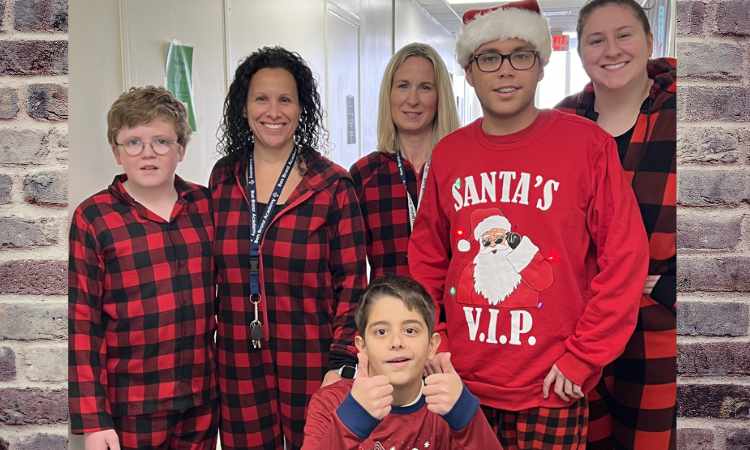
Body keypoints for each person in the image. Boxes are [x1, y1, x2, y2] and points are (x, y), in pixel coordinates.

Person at [407, 0, 650, 448]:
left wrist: (583, 357)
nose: (505, 70)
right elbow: (426, 259)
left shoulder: (587, 146)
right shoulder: (449, 155)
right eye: (488, 57)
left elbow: (625, 259)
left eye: (520, 55)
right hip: (460, 382)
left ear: (540, 66)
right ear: (469, 70)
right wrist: (434, 339)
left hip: (552, 386)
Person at [210, 46, 368, 449]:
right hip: (238, 358)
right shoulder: (224, 177)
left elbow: (352, 284)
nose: (273, 111)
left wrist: (343, 360)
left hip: (312, 356)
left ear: (302, 108)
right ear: (243, 108)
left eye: (285, 99)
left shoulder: (332, 185)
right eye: (261, 98)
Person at [68, 86, 218, 450]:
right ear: (116, 152)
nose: (147, 153)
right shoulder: (94, 218)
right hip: (131, 405)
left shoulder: (206, 205)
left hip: (200, 398)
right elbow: (83, 324)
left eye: (162, 142)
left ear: (181, 149)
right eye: (132, 142)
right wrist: (94, 421)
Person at [556, 0, 677, 448]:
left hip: (658, 340)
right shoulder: (562, 123)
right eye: (596, 39)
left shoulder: (694, 114)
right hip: (577, 331)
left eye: (624, 35)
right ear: (582, 52)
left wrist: (670, 287)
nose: (611, 50)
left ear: (649, 41)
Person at [302, 275, 502, 449]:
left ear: (432, 345)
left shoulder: (448, 404)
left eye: (410, 330)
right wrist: (352, 420)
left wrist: (466, 415)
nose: (396, 343)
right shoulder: (329, 403)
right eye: (381, 332)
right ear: (361, 346)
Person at [349, 43, 460, 280]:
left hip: (449, 314)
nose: (412, 100)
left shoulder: (462, 169)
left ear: (440, 96)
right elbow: (351, 270)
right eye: (402, 86)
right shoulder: (364, 175)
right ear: (388, 94)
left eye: (425, 87)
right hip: (386, 311)